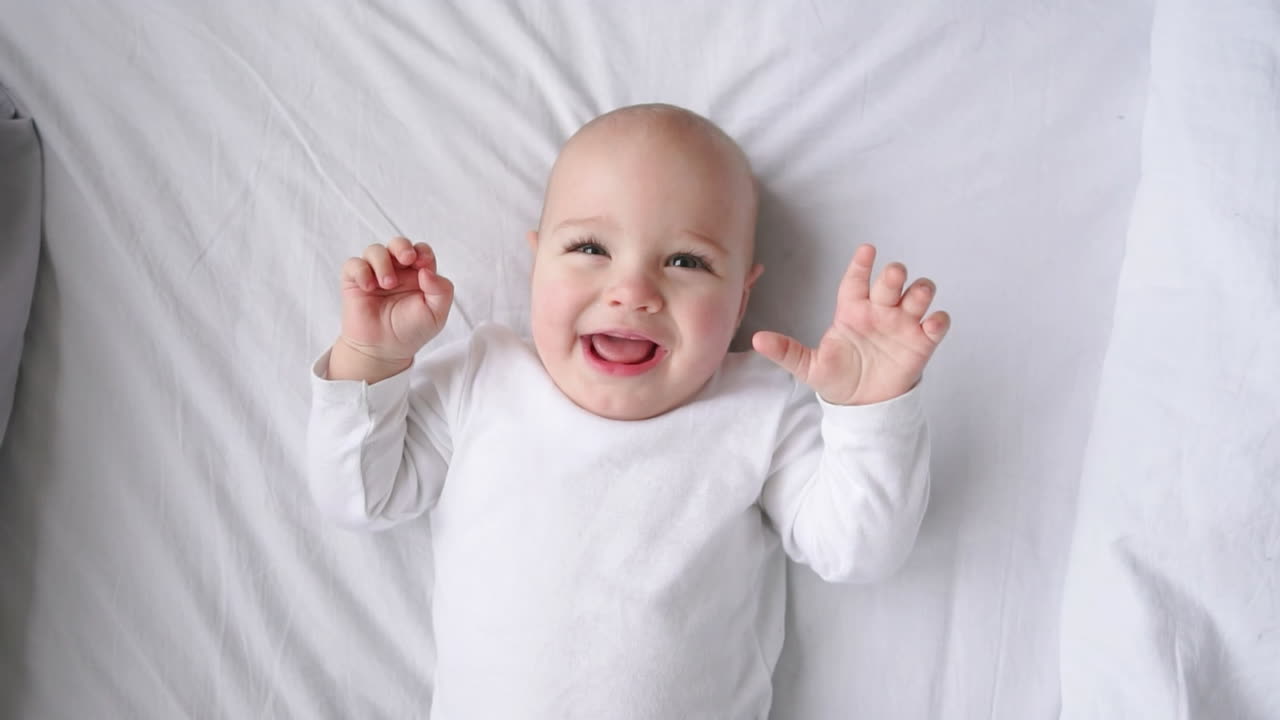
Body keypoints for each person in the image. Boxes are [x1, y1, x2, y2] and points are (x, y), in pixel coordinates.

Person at [308, 103, 950, 718]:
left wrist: (869, 410)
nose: (633, 291)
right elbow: (360, 496)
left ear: (741, 295)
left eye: (686, 261)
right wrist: (370, 357)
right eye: (590, 248)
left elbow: (860, 550)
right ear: (537, 261)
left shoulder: (758, 409)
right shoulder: (483, 377)